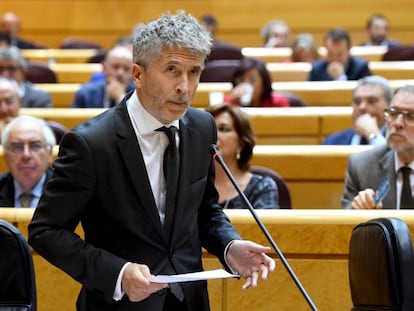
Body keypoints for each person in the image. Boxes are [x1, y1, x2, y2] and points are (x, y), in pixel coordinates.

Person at [28, 11, 275, 311]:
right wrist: (117, 274)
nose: (185, 86)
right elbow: (46, 232)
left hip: (190, 302)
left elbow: (204, 211)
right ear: (138, 74)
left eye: (194, 71)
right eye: (172, 69)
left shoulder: (201, 127)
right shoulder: (91, 143)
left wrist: (229, 246)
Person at [341, 84, 414, 209]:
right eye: (393, 113)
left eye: (410, 116)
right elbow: (342, 223)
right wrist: (357, 210)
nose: (397, 123)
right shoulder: (361, 165)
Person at [206, 103, 279, 209]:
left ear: (241, 143)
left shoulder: (261, 188)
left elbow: (267, 226)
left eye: (224, 129)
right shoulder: (190, 185)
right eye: (210, 129)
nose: (214, 135)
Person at [0, 115, 55, 207]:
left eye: (35, 146)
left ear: (49, 153)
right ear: (6, 156)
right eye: (17, 147)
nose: (26, 155)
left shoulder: (69, 192)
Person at [323, 75, 393, 145]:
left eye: (371, 101)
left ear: (389, 106)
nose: (362, 107)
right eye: (357, 101)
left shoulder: (398, 140)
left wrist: (373, 135)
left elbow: (391, 155)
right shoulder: (333, 142)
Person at [224, 57, 301, 107]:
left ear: (264, 83)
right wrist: (233, 103)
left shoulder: (278, 104)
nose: (246, 84)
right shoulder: (228, 103)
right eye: (240, 80)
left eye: (253, 80)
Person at [308, 28, 372, 81]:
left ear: (348, 50)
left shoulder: (361, 67)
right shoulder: (317, 69)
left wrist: (341, 78)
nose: (334, 58)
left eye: (339, 54)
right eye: (331, 54)